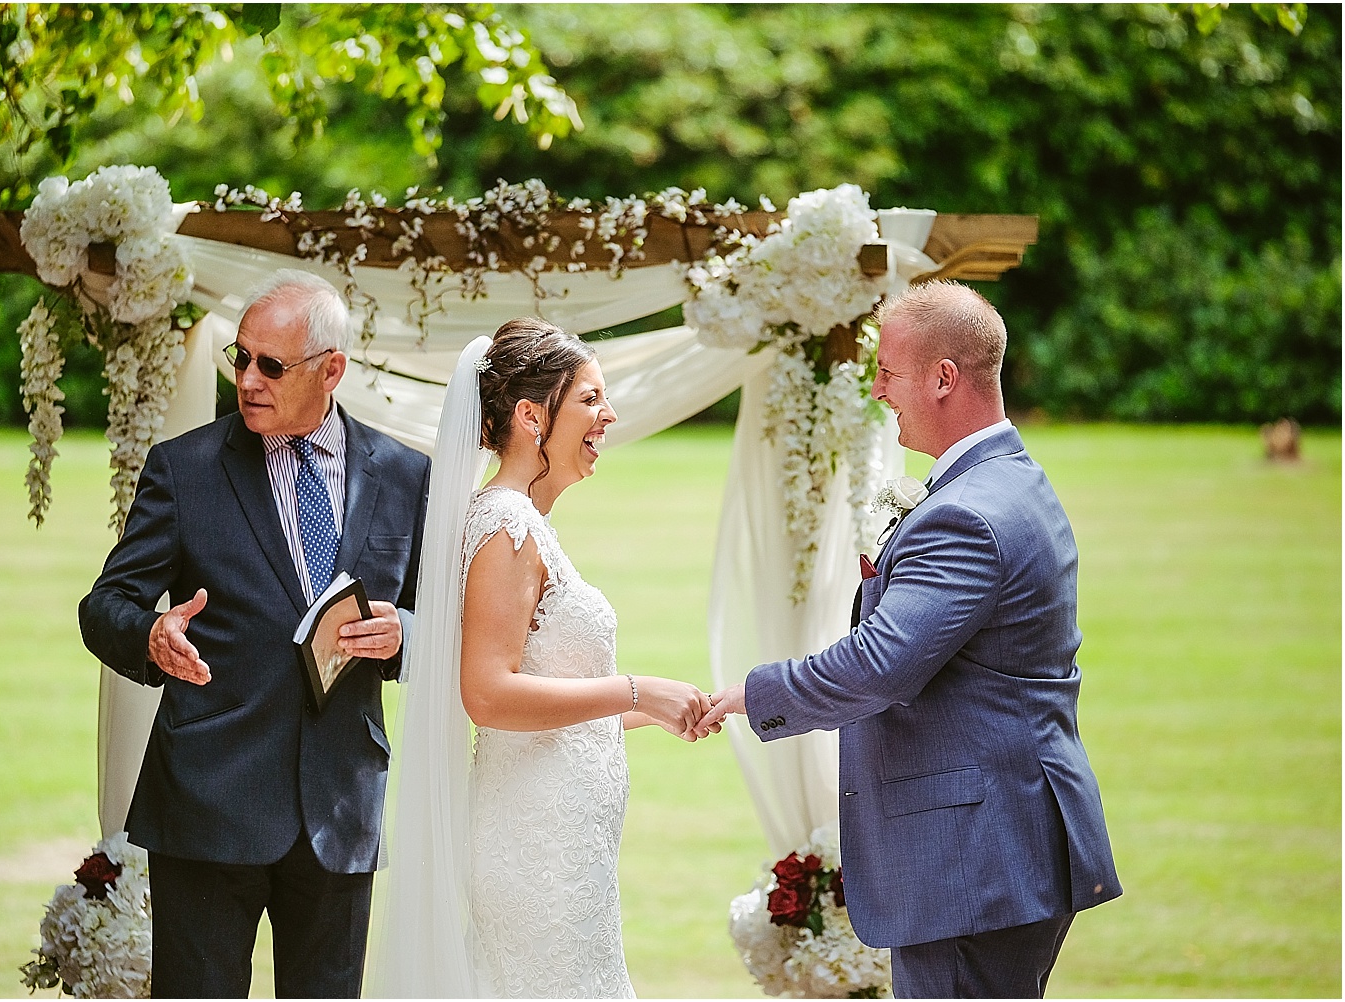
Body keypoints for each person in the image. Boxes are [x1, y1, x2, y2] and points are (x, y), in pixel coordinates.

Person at [698, 280, 1121, 999]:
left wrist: (752, 694)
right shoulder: (1011, 482)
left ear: (943, 378)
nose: (878, 389)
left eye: (888, 371)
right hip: (1004, 841)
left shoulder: (968, 516)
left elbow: (880, 664)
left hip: (972, 860)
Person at [78, 269, 430, 998]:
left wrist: (407, 636)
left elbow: (441, 625)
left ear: (332, 369)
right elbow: (104, 604)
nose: (248, 379)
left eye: (272, 364)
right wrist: (149, 634)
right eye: (242, 357)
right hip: (207, 805)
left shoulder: (405, 477)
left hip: (341, 811)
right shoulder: (185, 469)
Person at [367, 318, 716, 998]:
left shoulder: (527, 524)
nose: (608, 415)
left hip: (565, 840)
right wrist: (636, 691)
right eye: (590, 398)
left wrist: (664, 711)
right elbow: (489, 695)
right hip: (537, 848)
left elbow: (550, 705)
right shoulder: (506, 524)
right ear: (531, 416)